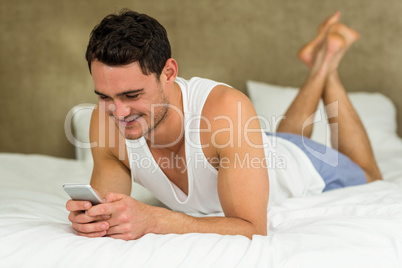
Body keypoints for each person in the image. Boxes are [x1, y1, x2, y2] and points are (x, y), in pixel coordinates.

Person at [66, 10, 382, 240]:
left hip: (297, 162)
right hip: (251, 142)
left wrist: (157, 219)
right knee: (283, 136)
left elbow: (251, 227)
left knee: (370, 175)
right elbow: (110, 210)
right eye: (105, 96)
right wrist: (94, 219)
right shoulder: (105, 120)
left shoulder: (226, 109)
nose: (118, 112)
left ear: (169, 72)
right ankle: (319, 64)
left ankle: (328, 66)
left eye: (132, 95)